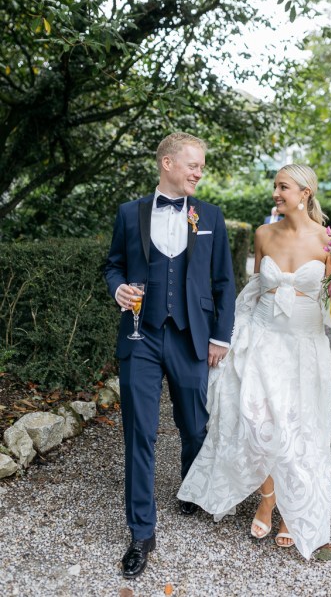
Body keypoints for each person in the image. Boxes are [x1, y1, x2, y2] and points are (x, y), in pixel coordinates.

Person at [178, 164, 331, 558]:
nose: (275, 193)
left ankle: (292, 509)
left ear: (305, 192)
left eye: (282, 187)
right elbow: (254, 291)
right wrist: (232, 340)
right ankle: (267, 498)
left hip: (303, 347)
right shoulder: (263, 234)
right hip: (263, 340)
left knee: (297, 429)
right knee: (256, 421)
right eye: (274, 186)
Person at [104, 132, 236, 578]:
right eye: (193, 164)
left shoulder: (211, 216)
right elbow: (113, 264)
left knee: (194, 423)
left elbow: (224, 283)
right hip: (140, 336)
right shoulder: (129, 213)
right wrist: (116, 287)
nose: (199, 171)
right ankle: (142, 532)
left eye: (201, 165)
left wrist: (221, 337)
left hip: (191, 334)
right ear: (167, 164)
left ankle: (192, 486)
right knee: (139, 432)